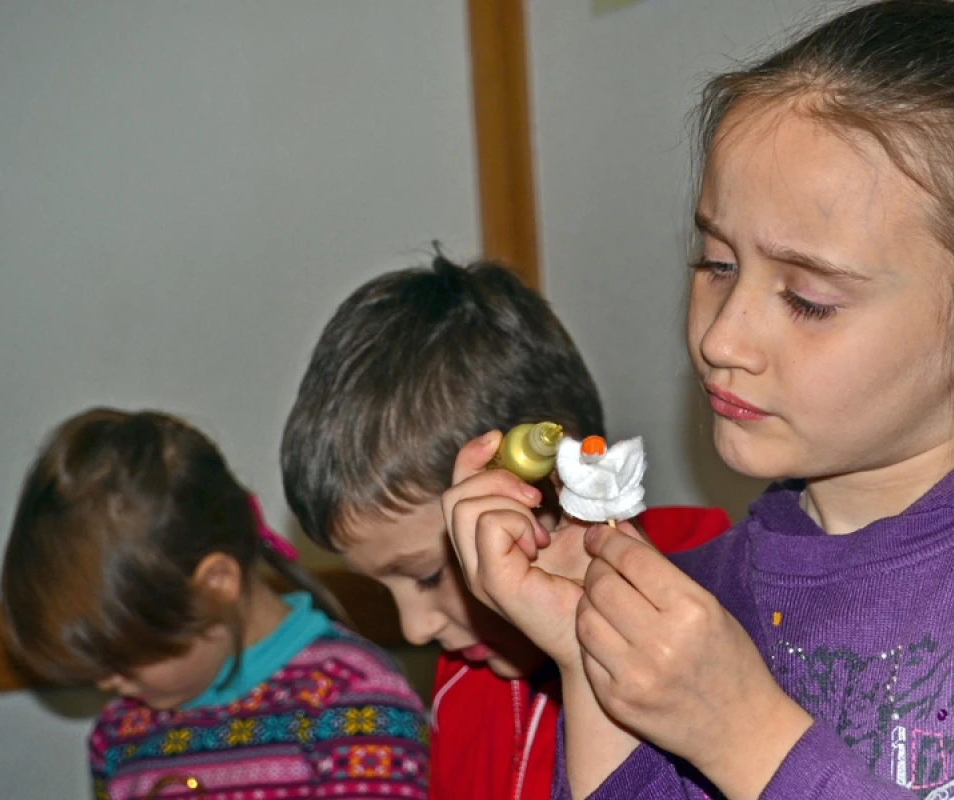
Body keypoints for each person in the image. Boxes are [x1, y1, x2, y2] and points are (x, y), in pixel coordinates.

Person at [442, 1, 954, 798]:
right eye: (718, 265)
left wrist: (746, 739)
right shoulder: (697, 599)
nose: (723, 338)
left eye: (809, 299)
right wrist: (588, 654)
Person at [280, 255, 729, 800]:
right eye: (382, 588)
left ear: (549, 493)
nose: (415, 629)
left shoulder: (716, 598)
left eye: (426, 576)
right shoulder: (462, 679)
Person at [0, 409, 429, 800]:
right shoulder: (120, 733)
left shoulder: (352, 703)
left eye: (125, 659)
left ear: (215, 585)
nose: (108, 684)